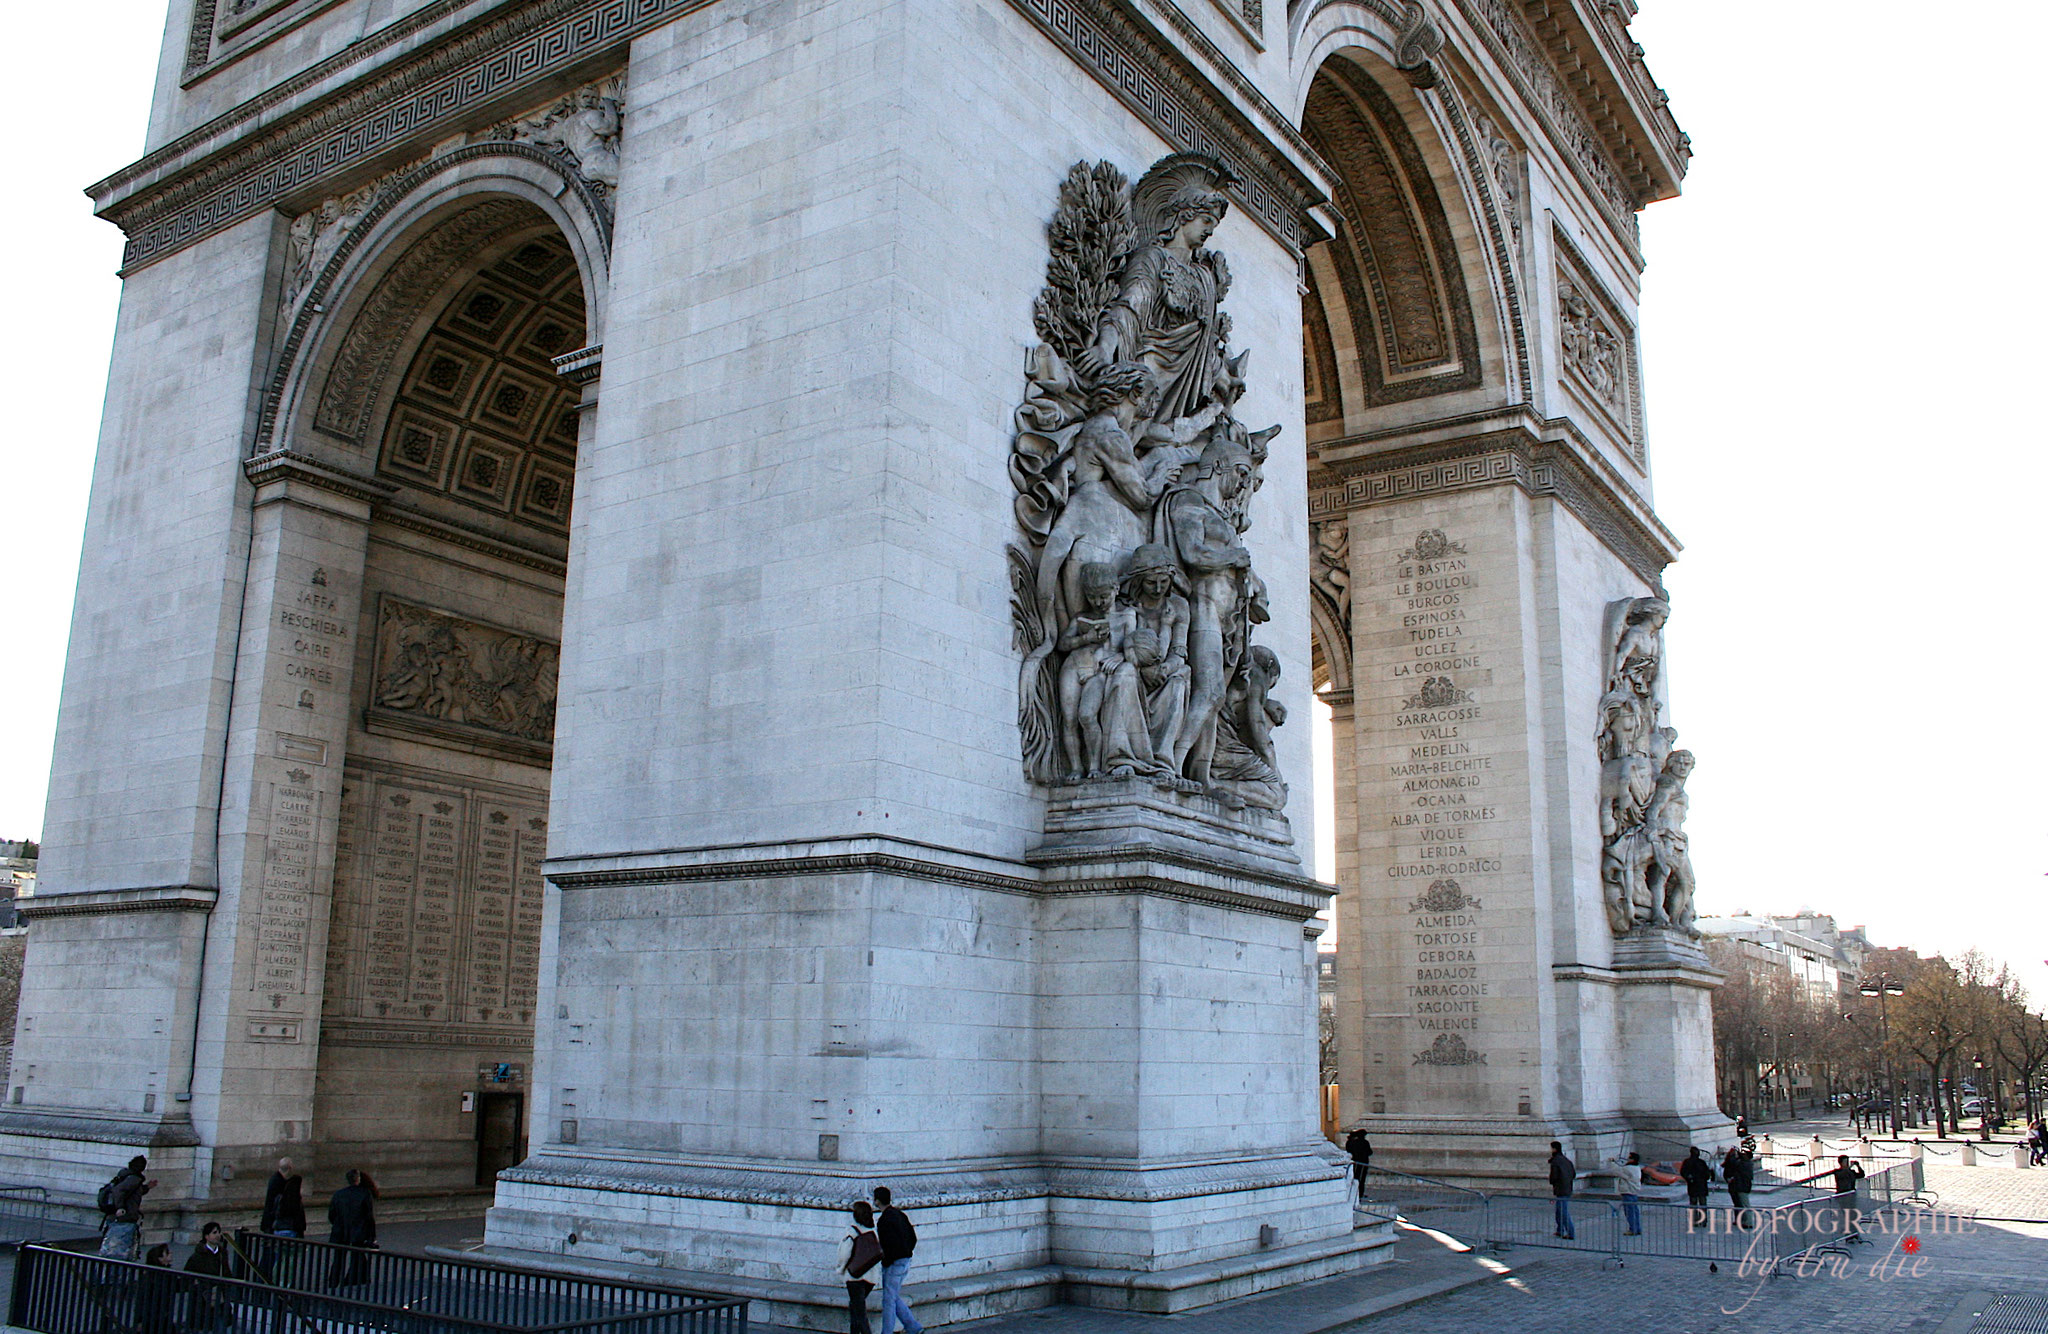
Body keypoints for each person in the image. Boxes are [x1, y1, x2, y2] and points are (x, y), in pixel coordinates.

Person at [872, 1186, 923, 1334]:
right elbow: (913, 1237)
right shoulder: (900, 1214)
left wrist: (886, 1262)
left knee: (888, 1301)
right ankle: (913, 1327)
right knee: (893, 1296)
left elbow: (887, 1246)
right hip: (905, 1259)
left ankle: (887, 1332)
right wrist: (908, 1252)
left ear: (877, 1201)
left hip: (894, 1263)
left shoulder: (883, 1221)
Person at [326, 1169, 377, 1288]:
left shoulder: (339, 1194)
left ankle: (334, 1281)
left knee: (339, 1257)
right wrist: (371, 1235)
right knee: (356, 1256)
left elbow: (332, 1214)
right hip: (357, 1230)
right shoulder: (364, 1193)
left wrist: (337, 1224)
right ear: (358, 1179)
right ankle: (354, 1279)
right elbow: (369, 1216)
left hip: (340, 1230)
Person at [836, 1200, 881, 1334]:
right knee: (855, 1308)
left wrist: (840, 1269)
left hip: (855, 1277)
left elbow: (844, 1254)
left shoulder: (852, 1232)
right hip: (870, 1278)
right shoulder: (873, 1232)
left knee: (860, 1313)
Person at [99, 1155, 155, 1260]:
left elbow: (132, 1193)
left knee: (114, 1248)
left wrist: (147, 1187)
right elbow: (119, 1191)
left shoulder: (126, 1176)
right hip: (124, 1218)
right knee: (120, 1249)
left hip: (119, 1218)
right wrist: (120, 1207)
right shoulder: (133, 1179)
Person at [184, 1221, 233, 1331]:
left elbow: (227, 1273)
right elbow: (187, 1277)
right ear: (206, 1236)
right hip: (203, 1299)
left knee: (220, 1325)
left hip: (219, 1297)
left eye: (218, 1232)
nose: (217, 1235)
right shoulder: (197, 1256)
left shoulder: (222, 1253)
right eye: (214, 1232)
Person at [137, 1244, 179, 1334]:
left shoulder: (166, 1275)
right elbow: (144, 1300)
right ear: (160, 1259)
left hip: (161, 1316)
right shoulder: (152, 1279)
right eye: (167, 1253)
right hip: (154, 1318)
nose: (170, 1253)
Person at [262, 1157, 306, 1237]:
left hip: (273, 1223)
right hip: (279, 1224)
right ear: (290, 1168)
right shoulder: (281, 1183)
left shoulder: (276, 1180)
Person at [1830, 1155, 1867, 1244]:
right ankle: (1848, 1235)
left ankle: (1854, 1233)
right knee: (1847, 1217)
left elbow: (1861, 1175)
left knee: (1853, 1216)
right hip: (1843, 1197)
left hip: (1851, 1196)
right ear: (1840, 1163)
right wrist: (1849, 1168)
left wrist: (1858, 1166)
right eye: (1845, 1162)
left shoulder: (1851, 1172)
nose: (1846, 1164)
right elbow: (1842, 1176)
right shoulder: (1838, 1172)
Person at [1722, 1142, 1756, 1230]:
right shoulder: (1744, 1163)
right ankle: (1742, 1220)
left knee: (1745, 1204)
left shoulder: (1745, 1164)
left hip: (1742, 1186)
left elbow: (1733, 1163)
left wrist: (1733, 1155)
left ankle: (1748, 1222)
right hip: (1740, 1186)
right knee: (1740, 1204)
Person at [1546, 1142, 1576, 1241]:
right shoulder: (1566, 1160)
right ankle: (1560, 1230)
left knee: (1563, 1211)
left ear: (1554, 1149)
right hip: (1567, 1188)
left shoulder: (1556, 1162)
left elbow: (1554, 1176)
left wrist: (1552, 1181)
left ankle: (1570, 1232)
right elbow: (1573, 1174)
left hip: (1561, 1189)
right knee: (1559, 1211)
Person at [1610, 1151, 1644, 1236]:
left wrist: (1612, 1162)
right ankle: (1637, 1228)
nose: (1627, 1159)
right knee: (1635, 1211)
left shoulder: (1628, 1169)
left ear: (1632, 1159)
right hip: (1634, 1192)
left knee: (1629, 1212)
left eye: (1629, 1158)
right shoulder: (1637, 1168)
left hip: (1627, 1192)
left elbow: (1616, 1171)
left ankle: (1632, 1229)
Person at [1679, 1146, 1713, 1229]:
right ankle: (1703, 1220)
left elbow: (1683, 1172)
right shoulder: (1701, 1162)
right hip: (1701, 1186)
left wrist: (1689, 1178)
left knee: (1694, 1204)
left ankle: (1695, 1221)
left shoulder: (1687, 1162)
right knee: (1702, 1204)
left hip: (1693, 1186)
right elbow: (1707, 1175)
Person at [1342, 1128, 1373, 1201]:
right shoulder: (1364, 1142)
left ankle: (1354, 1193)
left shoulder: (1350, 1142)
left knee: (1355, 1177)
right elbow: (1370, 1152)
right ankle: (1360, 1193)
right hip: (1363, 1162)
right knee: (1361, 1179)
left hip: (1354, 1162)